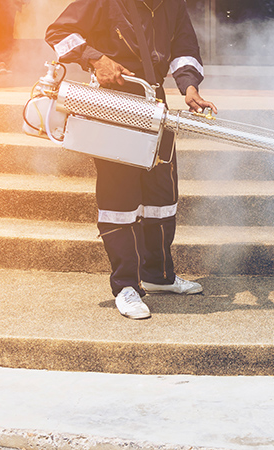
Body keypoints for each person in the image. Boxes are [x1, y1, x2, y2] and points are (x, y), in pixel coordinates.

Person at [45, 0, 217, 320]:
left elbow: (184, 49)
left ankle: (158, 275)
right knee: (119, 200)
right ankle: (126, 285)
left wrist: (189, 86)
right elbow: (58, 32)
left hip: (156, 105)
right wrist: (96, 59)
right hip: (115, 103)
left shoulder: (172, 6)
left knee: (161, 196)